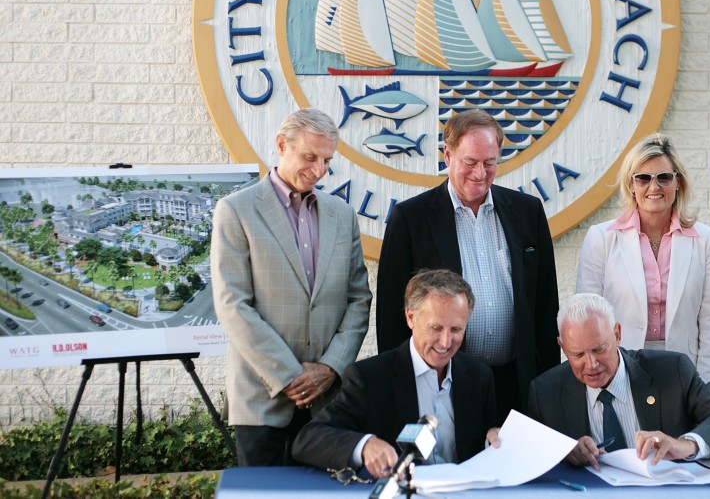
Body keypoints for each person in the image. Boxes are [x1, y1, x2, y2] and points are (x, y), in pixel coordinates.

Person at [211, 108, 372, 467]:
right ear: (282, 145)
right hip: (260, 400)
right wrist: (290, 375)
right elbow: (232, 304)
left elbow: (358, 299)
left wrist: (330, 368)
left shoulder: (342, 215)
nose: (319, 171)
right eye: (309, 157)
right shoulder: (235, 210)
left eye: (327, 160)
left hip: (327, 401)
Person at [375, 109, 559, 420]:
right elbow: (392, 316)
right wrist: (403, 388)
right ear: (447, 155)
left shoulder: (528, 212)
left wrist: (549, 386)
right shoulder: (411, 219)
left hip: (518, 384)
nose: (480, 173)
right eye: (470, 162)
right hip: (444, 384)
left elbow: (544, 305)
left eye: (490, 162)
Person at [292, 269, 498, 475]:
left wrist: (495, 440)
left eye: (456, 330)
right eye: (436, 328)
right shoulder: (370, 378)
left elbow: (484, 443)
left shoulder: (479, 376)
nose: (446, 342)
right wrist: (365, 446)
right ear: (410, 318)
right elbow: (308, 439)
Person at [576, 133, 710, 392]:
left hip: (685, 374)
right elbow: (588, 321)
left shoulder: (705, 240)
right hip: (618, 371)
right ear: (631, 185)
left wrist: (708, 393)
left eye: (664, 177)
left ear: (678, 182)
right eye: (643, 178)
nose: (654, 187)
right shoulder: (601, 239)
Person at [526, 293, 710, 470]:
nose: (591, 364)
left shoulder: (671, 371)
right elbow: (529, 453)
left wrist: (683, 445)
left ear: (617, 334)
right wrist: (565, 452)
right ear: (562, 347)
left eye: (599, 349)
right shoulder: (546, 392)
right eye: (577, 355)